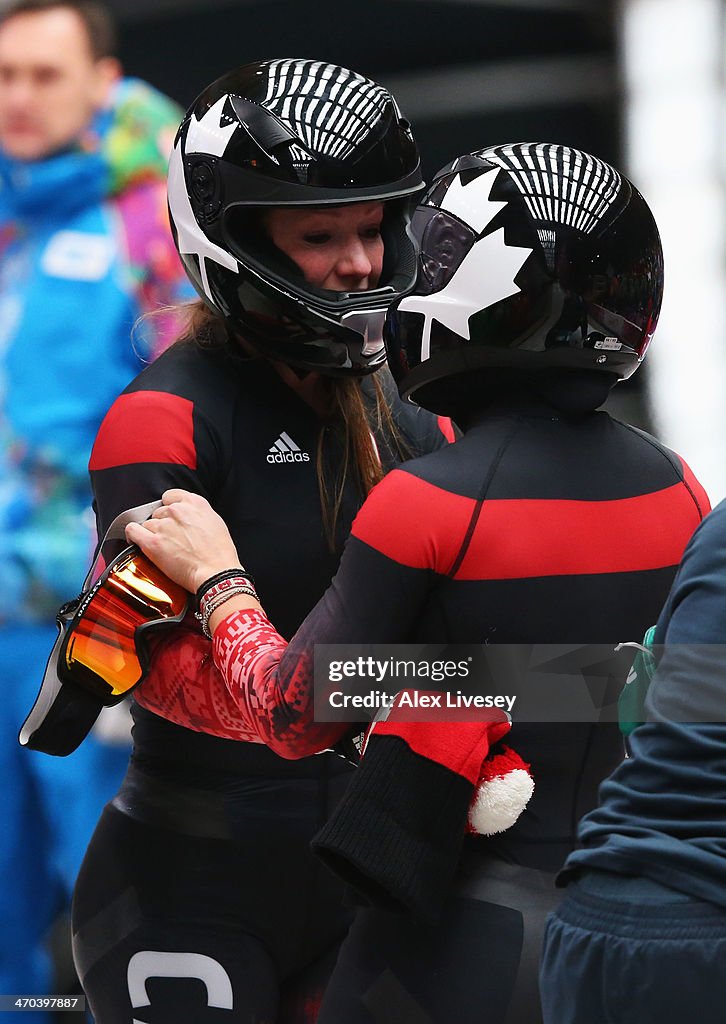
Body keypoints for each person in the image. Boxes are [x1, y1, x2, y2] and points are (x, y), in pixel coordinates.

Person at [125, 143, 711, 1024]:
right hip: (628, 928)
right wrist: (515, 681)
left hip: (454, 950)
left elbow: (291, 712)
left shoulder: (427, 499)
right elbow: (652, 691)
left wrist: (219, 579)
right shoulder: (682, 484)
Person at [65, 59, 453, 1023]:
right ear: (234, 241)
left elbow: (495, 660)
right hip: (190, 890)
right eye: (321, 235)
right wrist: (429, 685)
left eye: (372, 228)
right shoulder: (159, 421)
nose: (362, 264)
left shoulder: (427, 411)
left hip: (378, 870)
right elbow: (158, 675)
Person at [0, 0, 191, 1012]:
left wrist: (147, 618)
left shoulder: (147, 220)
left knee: (120, 906)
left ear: (101, 82)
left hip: (93, 628)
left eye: (45, 73)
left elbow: (188, 429)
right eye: (4, 75)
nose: (21, 97)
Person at [538, 497, 726, 1024]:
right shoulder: (684, 491)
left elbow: (638, 705)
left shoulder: (718, 523)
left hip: (594, 910)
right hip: (706, 927)